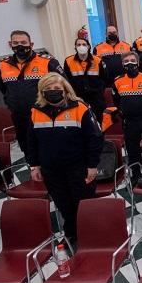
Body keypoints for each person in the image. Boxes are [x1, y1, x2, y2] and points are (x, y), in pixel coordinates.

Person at [28, 73, 103, 240]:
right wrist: (34, 165)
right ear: (42, 92)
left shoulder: (80, 108)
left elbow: (95, 139)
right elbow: (31, 142)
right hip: (51, 170)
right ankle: (72, 237)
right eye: (48, 89)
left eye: (56, 88)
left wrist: (92, 166)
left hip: (79, 168)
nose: (52, 91)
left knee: (83, 204)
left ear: (65, 90)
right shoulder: (35, 111)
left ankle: (91, 238)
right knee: (64, 205)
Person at [0, 30, 64, 156]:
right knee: (28, 151)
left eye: (23, 42)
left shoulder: (47, 62)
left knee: (49, 150)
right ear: (10, 44)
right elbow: (3, 89)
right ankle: (33, 170)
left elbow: (64, 87)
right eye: (15, 43)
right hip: (19, 118)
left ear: (31, 44)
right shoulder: (3, 65)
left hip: (45, 116)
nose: (20, 46)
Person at [112, 52, 142, 180]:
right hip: (130, 121)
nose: (130, 63)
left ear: (138, 63)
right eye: (126, 61)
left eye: (132, 60)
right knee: (132, 150)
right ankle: (136, 175)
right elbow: (116, 100)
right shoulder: (117, 81)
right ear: (123, 64)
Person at [64, 37, 107, 122]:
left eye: (84, 44)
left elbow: (104, 78)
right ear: (75, 47)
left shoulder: (98, 60)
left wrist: (99, 92)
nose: (81, 46)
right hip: (78, 98)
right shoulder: (68, 61)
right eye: (78, 44)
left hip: (96, 98)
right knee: (82, 121)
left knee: (98, 121)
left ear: (88, 46)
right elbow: (66, 80)